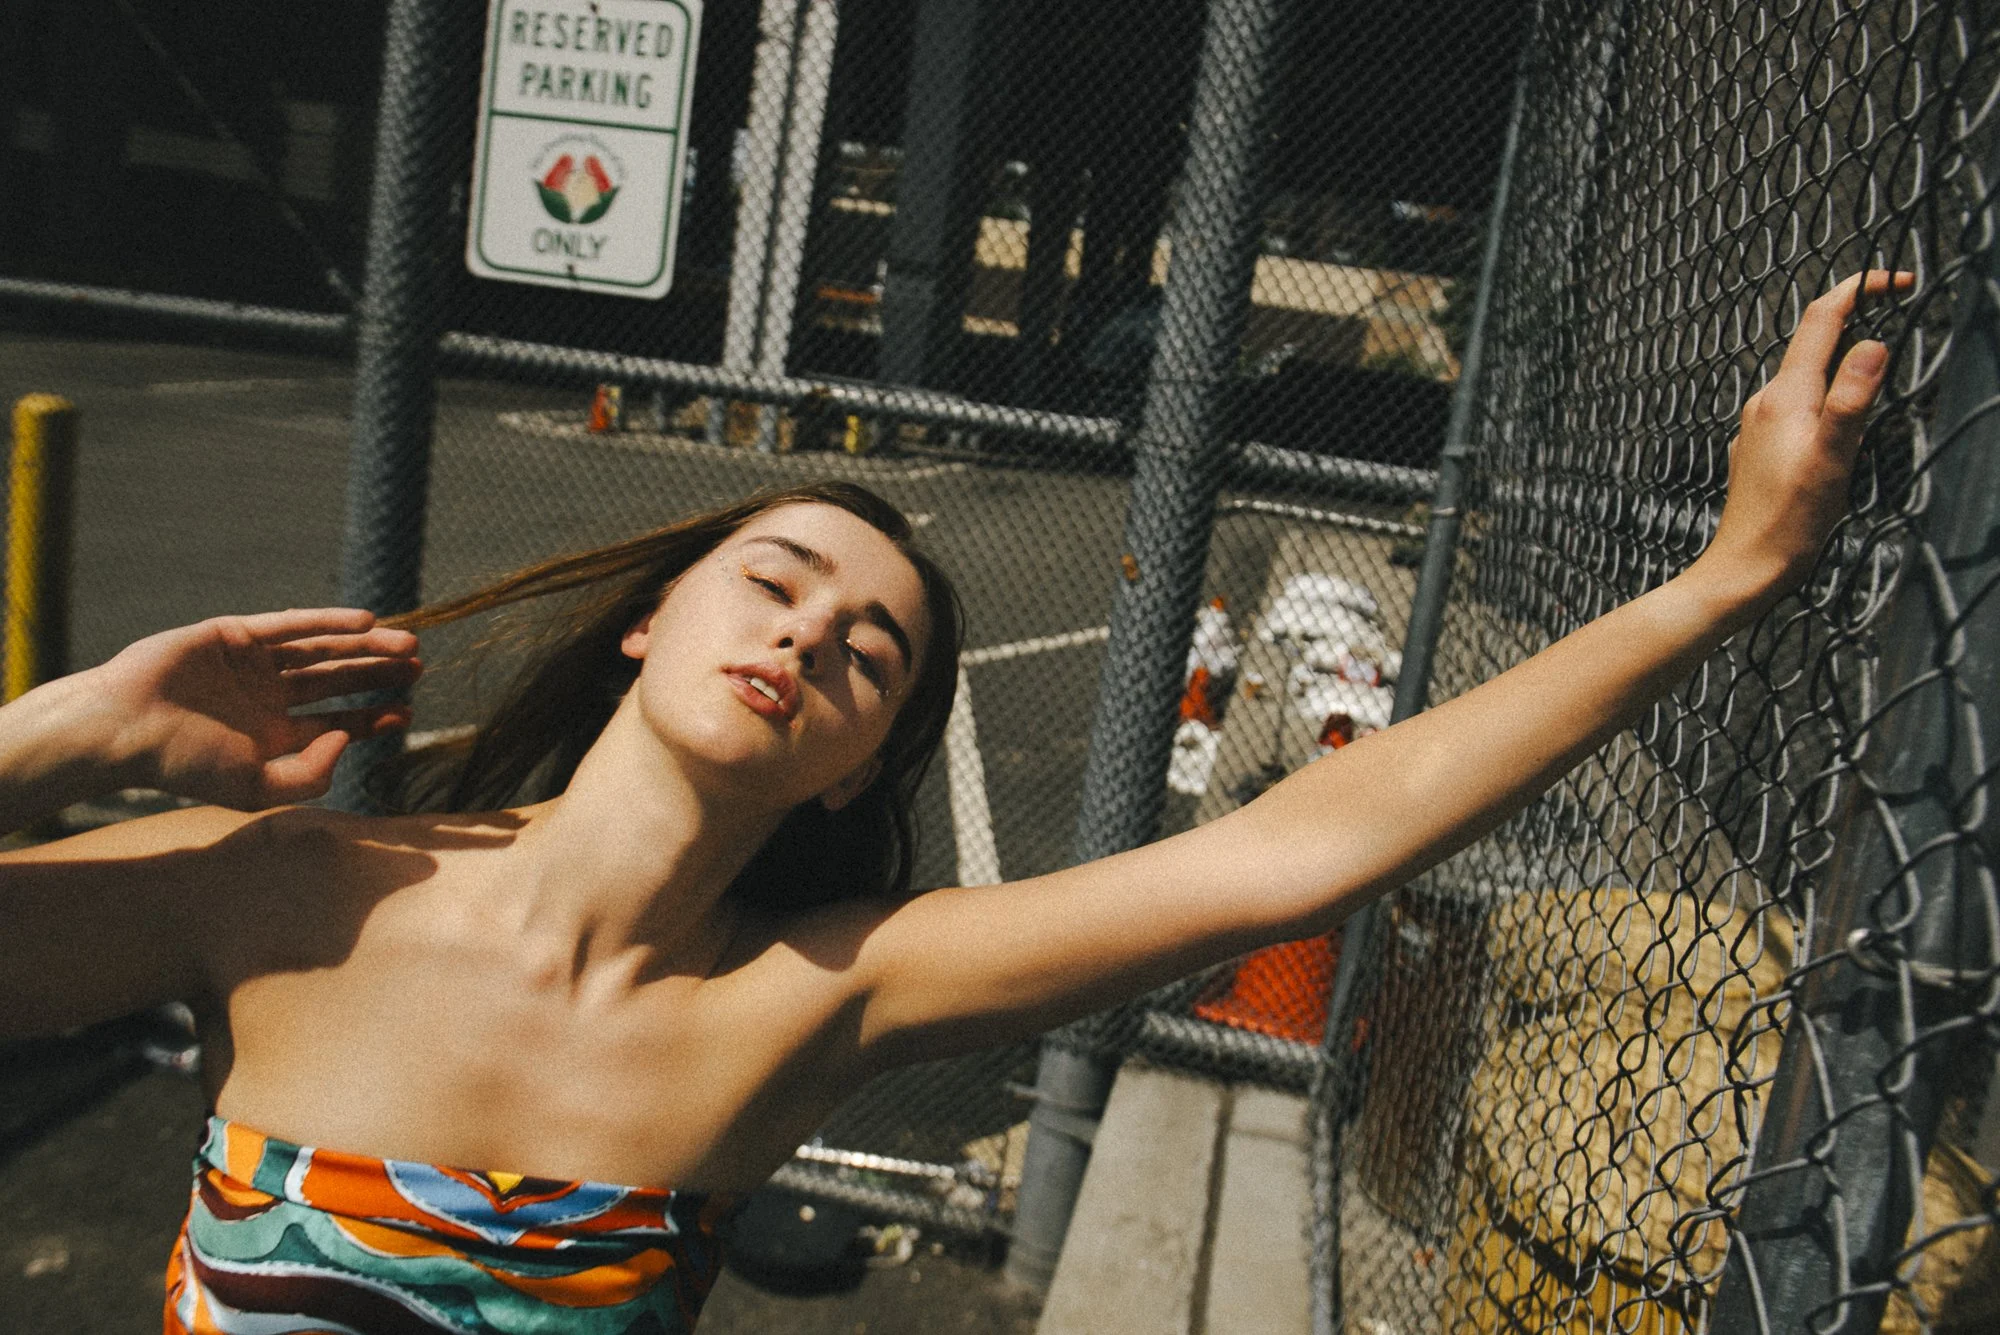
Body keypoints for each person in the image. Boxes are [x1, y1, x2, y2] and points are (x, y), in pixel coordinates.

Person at [0, 272, 1905, 1334]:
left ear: (861, 759)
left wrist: (1727, 576)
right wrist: (65, 732)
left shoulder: (817, 995)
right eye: (779, 577)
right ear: (659, 613)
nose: (817, 632)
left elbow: (1304, 845)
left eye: (876, 651)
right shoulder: (283, 887)